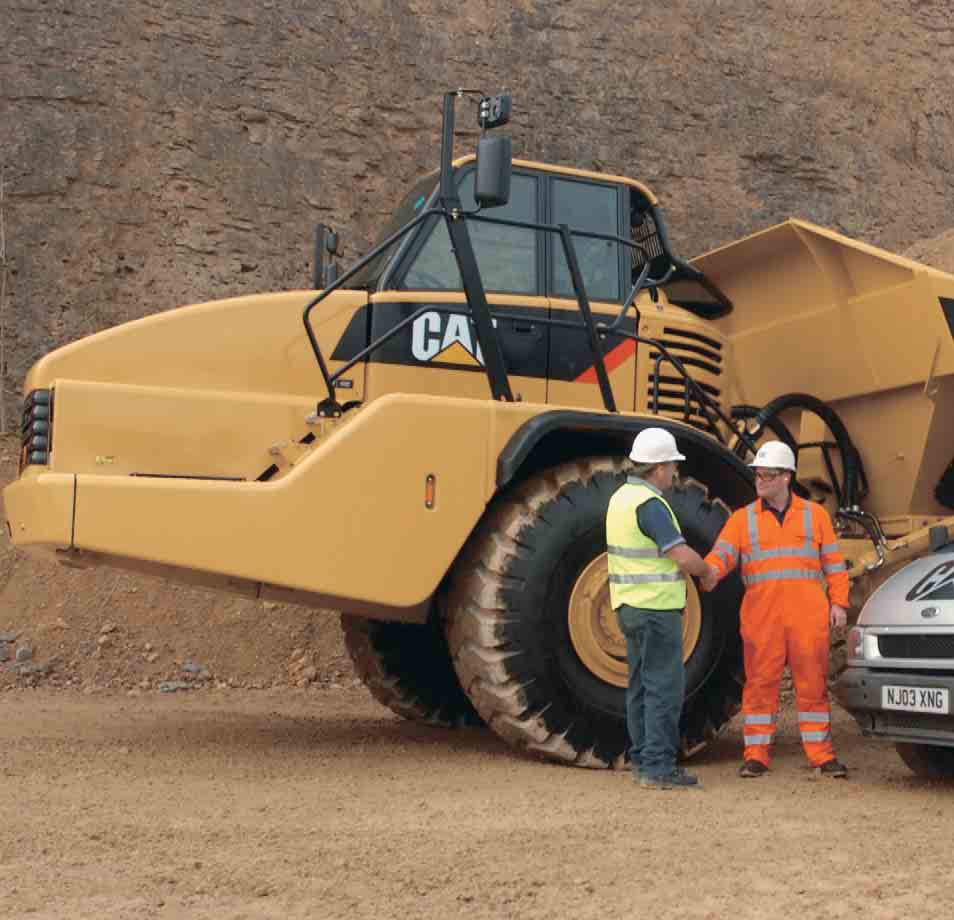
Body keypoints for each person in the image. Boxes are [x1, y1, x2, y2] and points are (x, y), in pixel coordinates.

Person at [701, 441, 850, 778]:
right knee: (759, 687)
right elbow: (721, 555)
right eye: (758, 475)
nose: (760, 481)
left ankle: (822, 756)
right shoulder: (742, 520)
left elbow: (834, 565)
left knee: (812, 687)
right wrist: (706, 573)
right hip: (762, 618)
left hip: (808, 618)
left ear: (786, 477)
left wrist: (839, 602)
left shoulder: (816, 517)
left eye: (767, 475)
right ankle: (756, 755)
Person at [607, 427, 712, 790]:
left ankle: (642, 761)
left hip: (629, 608)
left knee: (639, 686)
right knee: (664, 688)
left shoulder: (620, 498)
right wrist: (707, 571)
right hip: (656, 611)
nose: (674, 473)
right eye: (671, 466)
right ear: (656, 468)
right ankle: (658, 767)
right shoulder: (650, 505)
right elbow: (679, 554)